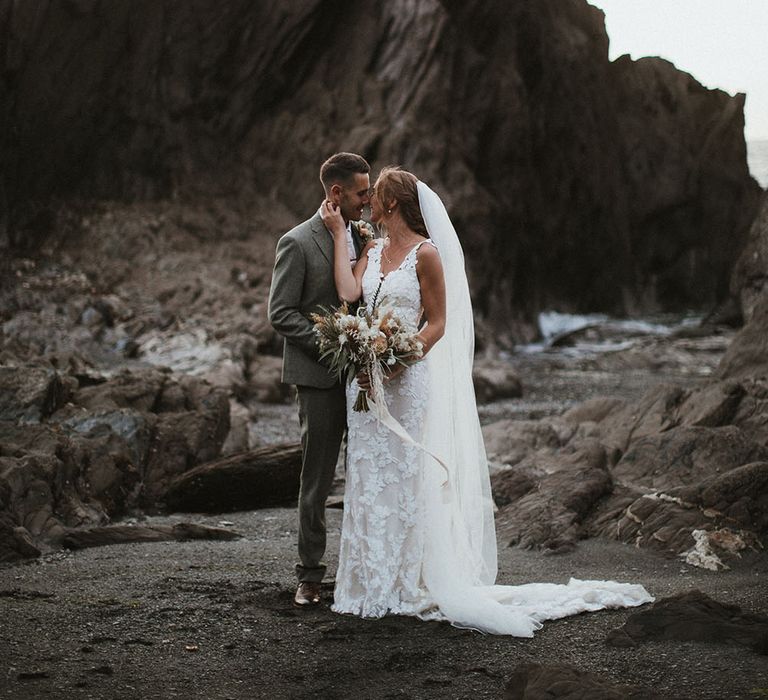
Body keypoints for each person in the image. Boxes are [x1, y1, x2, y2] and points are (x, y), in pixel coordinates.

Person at [320, 166, 653, 635]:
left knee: (404, 479)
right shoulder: (370, 249)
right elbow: (349, 292)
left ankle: (403, 583)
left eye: (374, 195)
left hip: (405, 381)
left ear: (391, 204)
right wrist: (338, 236)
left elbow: (437, 322)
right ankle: (365, 584)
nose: (368, 201)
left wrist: (401, 357)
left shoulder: (427, 255)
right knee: (368, 477)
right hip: (366, 384)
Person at [268, 153, 371, 607]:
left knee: (367, 474)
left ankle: (365, 568)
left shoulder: (363, 236)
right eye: (361, 193)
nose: (367, 201)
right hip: (318, 377)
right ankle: (309, 575)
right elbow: (281, 313)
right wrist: (333, 343)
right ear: (337, 193)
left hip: (366, 377)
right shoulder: (296, 242)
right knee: (318, 479)